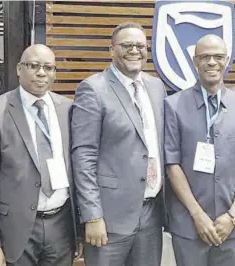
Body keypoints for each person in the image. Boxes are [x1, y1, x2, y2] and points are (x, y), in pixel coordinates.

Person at [71, 22, 166, 266]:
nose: (134, 51)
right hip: (109, 218)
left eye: (140, 46)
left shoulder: (156, 87)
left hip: (150, 214)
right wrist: (92, 216)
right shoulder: (93, 89)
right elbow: (84, 156)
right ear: (111, 50)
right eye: (126, 45)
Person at [0, 44, 79, 266]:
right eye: (33, 66)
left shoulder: (68, 109)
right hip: (16, 229)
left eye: (48, 67)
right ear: (18, 69)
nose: (41, 73)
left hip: (61, 225)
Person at [164, 35, 235, 266]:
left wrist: (234, 215)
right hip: (188, 226)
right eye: (205, 57)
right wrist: (197, 215)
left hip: (232, 227)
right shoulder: (174, 105)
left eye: (218, 56)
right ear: (195, 61)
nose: (211, 62)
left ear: (227, 60)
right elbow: (172, 164)